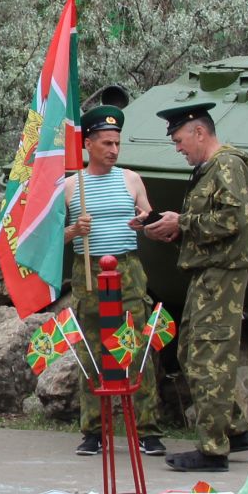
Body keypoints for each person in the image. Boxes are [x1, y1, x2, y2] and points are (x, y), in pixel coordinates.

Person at [142, 105, 248, 472]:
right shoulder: (207, 170)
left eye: (179, 140)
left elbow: (234, 219)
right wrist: (169, 227)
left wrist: (184, 221)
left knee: (210, 357)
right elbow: (209, 226)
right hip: (205, 274)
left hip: (222, 275)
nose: (178, 148)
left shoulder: (227, 165)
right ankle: (234, 429)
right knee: (191, 352)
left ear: (199, 133)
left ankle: (213, 449)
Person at [62, 105, 167, 458]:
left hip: (127, 269)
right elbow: (50, 239)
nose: (113, 150)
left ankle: (147, 429)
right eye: (106, 143)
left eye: (117, 143)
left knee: (137, 346)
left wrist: (142, 220)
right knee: (92, 349)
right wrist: (75, 230)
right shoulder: (71, 185)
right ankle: (94, 431)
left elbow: (146, 215)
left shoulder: (130, 179)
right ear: (88, 144)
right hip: (88, 268)